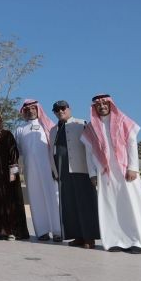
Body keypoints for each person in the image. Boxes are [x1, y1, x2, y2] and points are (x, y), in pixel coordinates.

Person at [80, 94, 141, 254]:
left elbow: (132, 144)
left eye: (105, 103)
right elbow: (89, 153)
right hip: (105, 174)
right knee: (110, 207)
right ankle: (115, 240)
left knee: (131, 205)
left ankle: (137, 241)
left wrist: (133, 167)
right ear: (94, 107)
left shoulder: (123, 121)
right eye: (98, 105)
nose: (102, 106)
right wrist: (92, 174)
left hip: (125, 171)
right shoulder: (90, 128)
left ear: (110, 105)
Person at [49, 100, 99, 249]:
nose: (60, 111)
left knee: (86, 204)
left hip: (81, 170)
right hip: (63, 172)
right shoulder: (52, 130)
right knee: (69, 205)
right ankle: (77, 236)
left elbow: (92, 148)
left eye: (63, 108)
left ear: (69, 109)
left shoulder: (81, 123)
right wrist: (54, 170)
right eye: (56, 110)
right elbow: (52, 151)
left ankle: (89, 238)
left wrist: (94, 171)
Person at [15, 99, 61, 242]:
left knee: (54, 198)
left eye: (33, 108)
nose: (30, 111)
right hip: (30, 170)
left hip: (49, 169)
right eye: (27, 109)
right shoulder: (20, 130)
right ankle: (42, 231)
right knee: (36, 199)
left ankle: (58, 231)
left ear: (38, 109)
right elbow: (17, 152)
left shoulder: (49, 126)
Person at [0, 110, 29, 241]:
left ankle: (12, 231)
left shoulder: (7, 135)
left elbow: (13, 154)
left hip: (6, 176)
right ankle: (0, 231)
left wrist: (13, 174)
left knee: (9, 204)